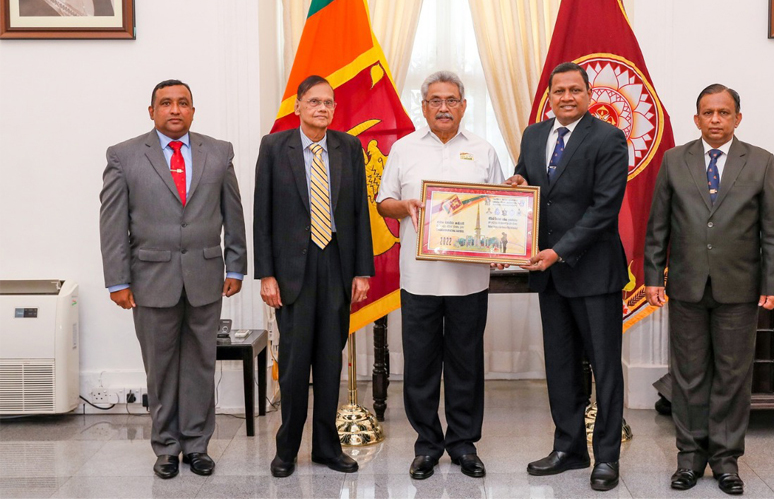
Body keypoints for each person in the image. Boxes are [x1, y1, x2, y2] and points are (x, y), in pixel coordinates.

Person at [644, 84, 774, 496]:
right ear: (696, 119)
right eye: (707, 113)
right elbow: (658, 225)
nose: (715, 120)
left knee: (732, 376)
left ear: (737, 118)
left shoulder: (760, 162)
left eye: (724, 113)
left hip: (740, 288)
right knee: (689, 377)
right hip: (687, 285)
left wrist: (773, 282)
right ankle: (689, 459)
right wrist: (654, 275)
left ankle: (725, 460)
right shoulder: (674, 160)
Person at [99, 80, 247, 479]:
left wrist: (236, 266)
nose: (175, 110)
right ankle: (166, 447)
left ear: (193, 111)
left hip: (205, 275)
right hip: (150, 279)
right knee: (160, 368)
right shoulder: (125, 156)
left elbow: (233, 212)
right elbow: (112, 224)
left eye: (183, 103)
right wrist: (118, 281)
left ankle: (197, 446)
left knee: (201, 364)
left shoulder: (218, 153)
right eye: (166, 103)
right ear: (152, 111)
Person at [506, 62, 629, 492]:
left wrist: (559, 251)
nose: (566, 97)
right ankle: (569, 448)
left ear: (588, 94)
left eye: (575, 90)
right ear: (550, 96)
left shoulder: (609, 139)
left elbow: (604, 208)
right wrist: (517, 182)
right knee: (560, 367)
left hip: (593, 273)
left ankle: (607, 457)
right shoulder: (534, 135)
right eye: (559, 91)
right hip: (550, 277)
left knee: (605, 369)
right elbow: (529, 183)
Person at [376, 71, 504, 480]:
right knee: (421, 365)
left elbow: (501, 208)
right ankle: (427, 445)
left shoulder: (483, 151)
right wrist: (405, 207)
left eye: (451, 100)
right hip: (419, 279)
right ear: (424, 105)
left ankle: (464, 445)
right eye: (435, 100)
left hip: (470, 280)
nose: (444, 107)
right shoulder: (403, 149)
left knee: (466, 364)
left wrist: (504, 246)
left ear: (464, 106)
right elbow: (383, 203)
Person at [254, 75, 374, 477]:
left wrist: (362, 270)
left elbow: (360, 212)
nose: (322, 108)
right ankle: (286, 449)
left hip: (336, 266)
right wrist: (266, 274)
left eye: (329, 103)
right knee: (292, 364)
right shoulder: (274, 147)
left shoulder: (349, 147)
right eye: (314, 102)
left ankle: (326, 447)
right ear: (298, 107)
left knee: (328, 362)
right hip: (292, 272)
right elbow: (262, 217)